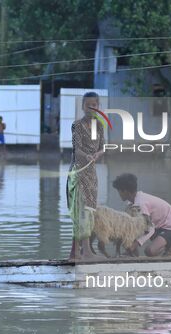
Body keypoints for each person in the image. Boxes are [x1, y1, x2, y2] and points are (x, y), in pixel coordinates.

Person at [67, 92, 105, 260]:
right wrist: (87, 156)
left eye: (94, 105)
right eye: (88, 105)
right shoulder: (77, 125)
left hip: (91, 174)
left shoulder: (100, 126)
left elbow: (103, 147)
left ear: (98, 107)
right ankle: (82, 251)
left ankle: (81, 251)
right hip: (78, 172)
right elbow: (77, 149)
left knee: (88, 211)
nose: (91, 108)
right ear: (83, 107)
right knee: (79, 210)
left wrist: (98, 154)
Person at [112, 173, 171, 257]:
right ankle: (132, 253)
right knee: (128, 229)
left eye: (119, 191)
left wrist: (135, 244)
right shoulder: (131, 204)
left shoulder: (140, 205)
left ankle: (169, 247)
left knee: (149, 252)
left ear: (125, 191)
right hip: (157, 227)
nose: (119, 194)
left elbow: (150, 229)